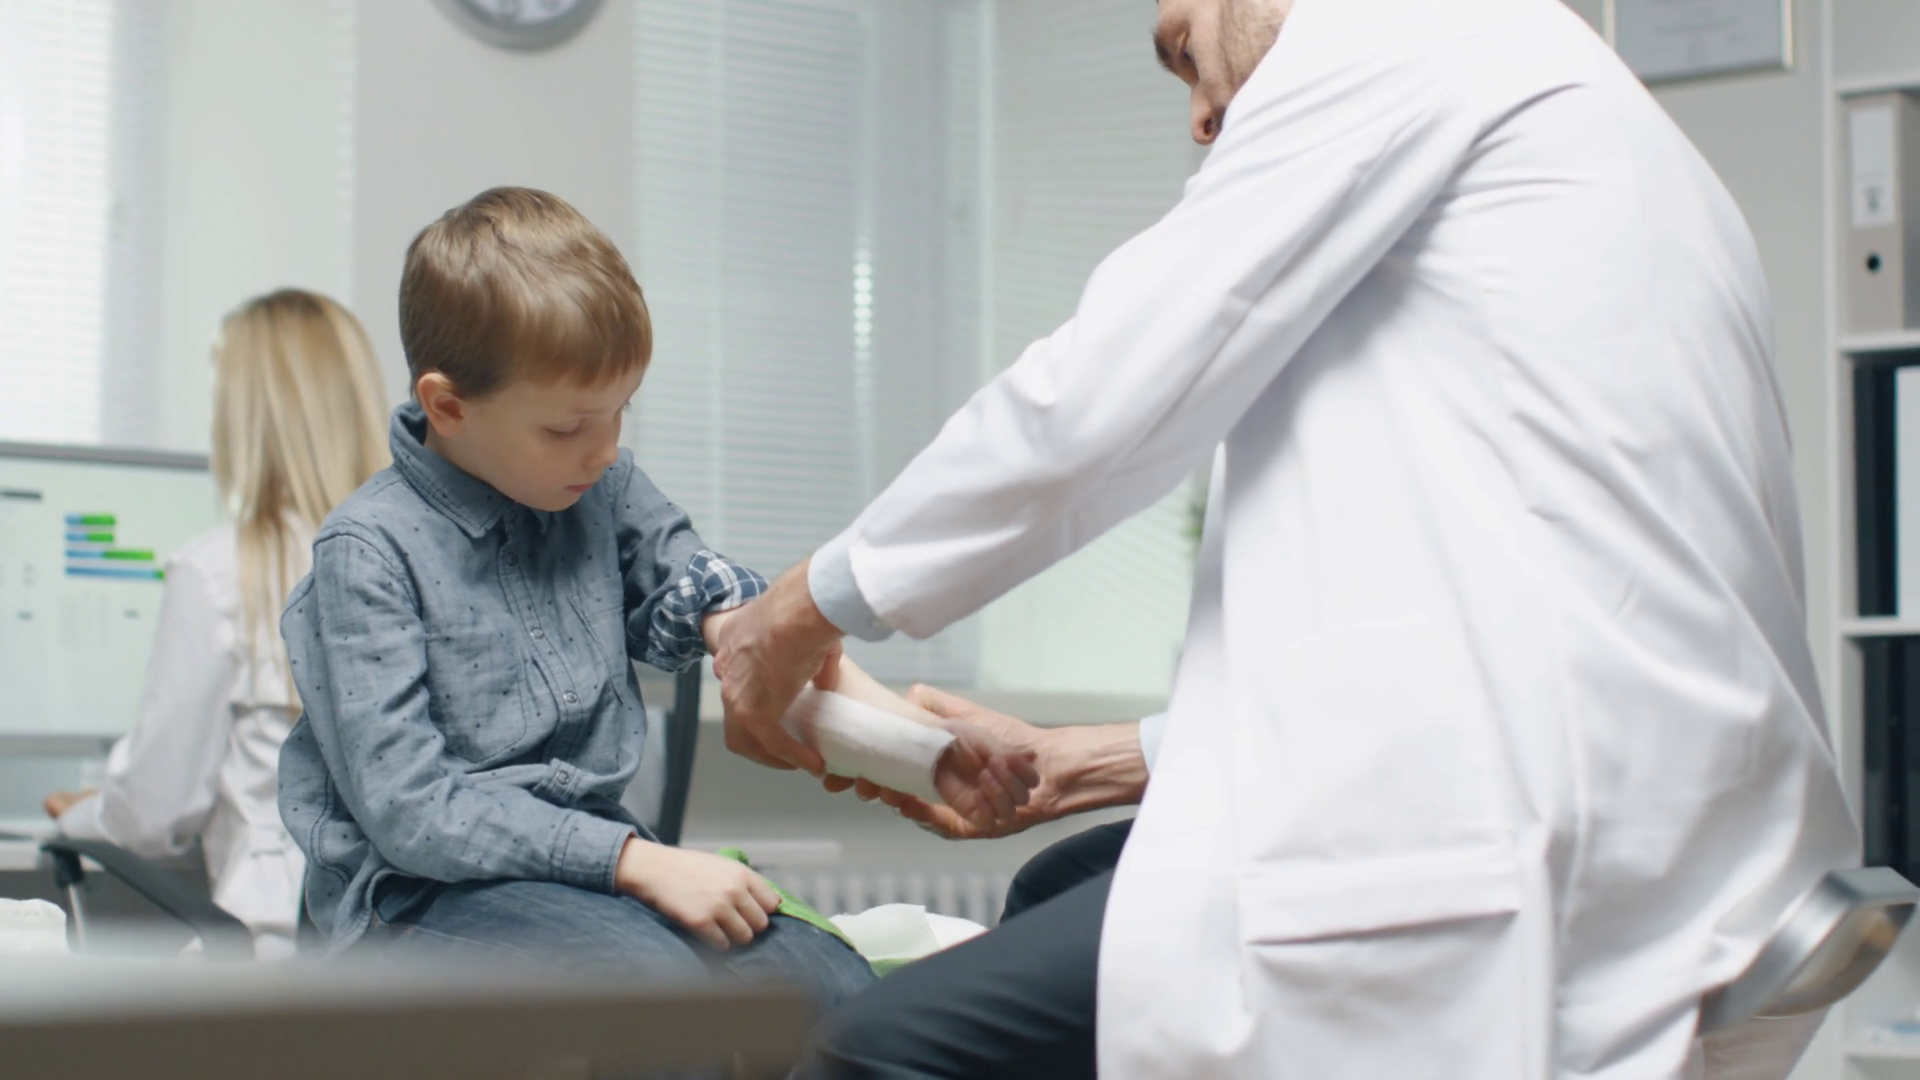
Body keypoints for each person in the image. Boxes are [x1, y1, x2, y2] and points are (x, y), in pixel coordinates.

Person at [711, 0, 1861, 1076]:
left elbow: (1101, 395)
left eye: (1182, 52)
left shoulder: (1391, 27)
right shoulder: (1571, 114)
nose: (1199, 118)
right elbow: (1510, 619)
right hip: (1676, 825)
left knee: (871, 1053)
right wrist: (1089, 761)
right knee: (1063, 883)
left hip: (1535, 843)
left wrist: (797, 611)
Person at [275, 187, 1028, 1001]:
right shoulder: (368, 554)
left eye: (619, 412)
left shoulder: (598, 490)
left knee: (825, 975)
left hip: (584, 869)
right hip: (416, 893)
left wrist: (929, 750)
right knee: (657, 994)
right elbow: (413, 812)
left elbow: (725, 610)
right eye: (567, 427)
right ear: (448, 406)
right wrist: (636, 862)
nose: (604, 450)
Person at [43, 289, 390, 958]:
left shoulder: (221, 572)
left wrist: (81, 813)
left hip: (273, 954)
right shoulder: (418, 563)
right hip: (410, 955)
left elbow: (151, 816)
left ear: (245, 416)